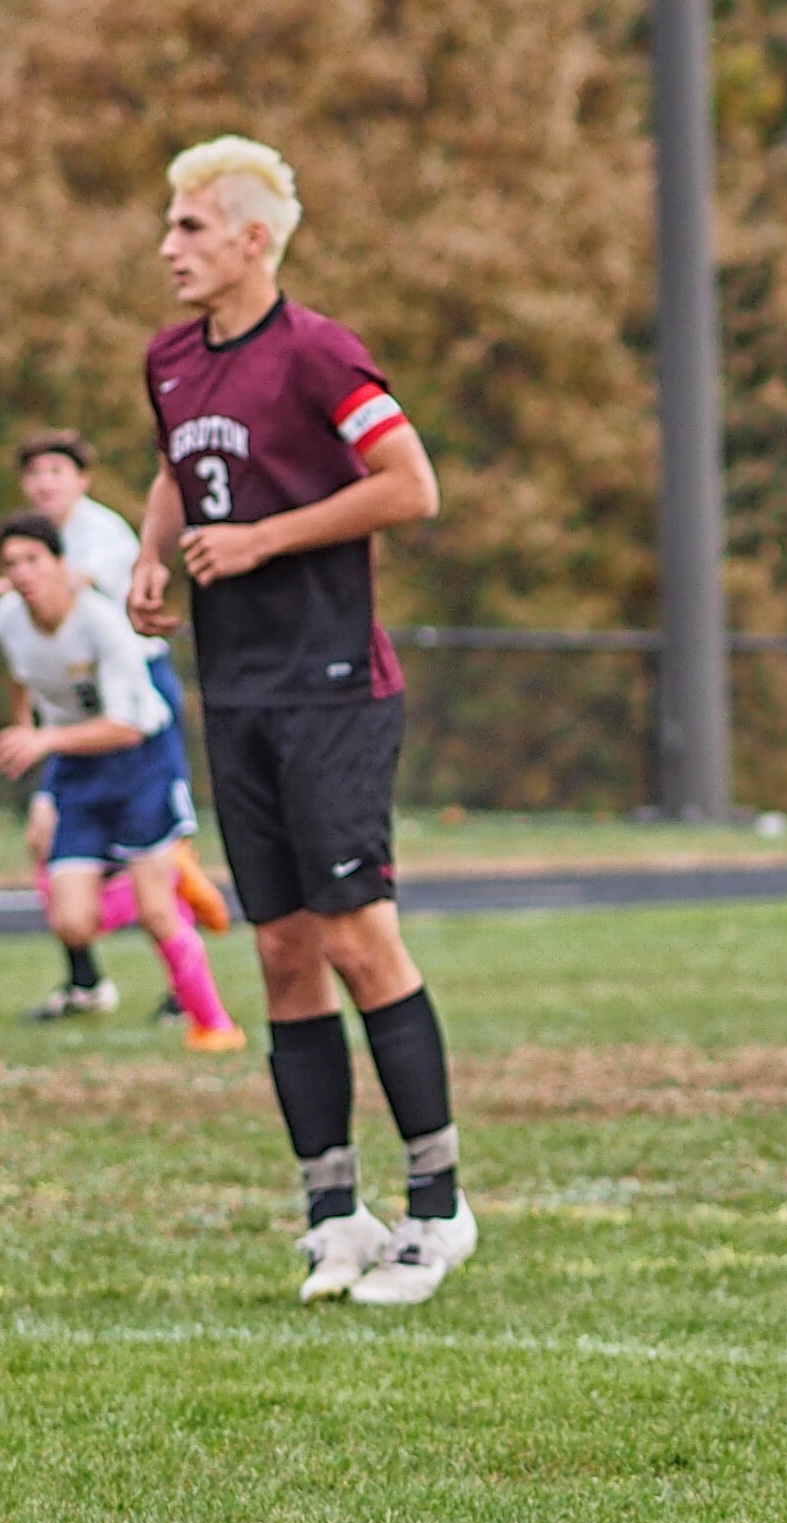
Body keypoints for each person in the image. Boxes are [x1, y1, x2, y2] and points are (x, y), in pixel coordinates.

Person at [127, 135, 473, 1307]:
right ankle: (336, 1211)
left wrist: (262, 541)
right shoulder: (171, 359)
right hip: (236, 689)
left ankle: (438, 1207)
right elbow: (176, 470)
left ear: (252, 239)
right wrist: (150, 558)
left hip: (332, 685)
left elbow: (412, 486)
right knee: (280, 948)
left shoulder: (317, 350)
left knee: (357, 937)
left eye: (189, 227)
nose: (170, 247)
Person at [0, 512, 244, 1050]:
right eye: (10, 563)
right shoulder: (10, 620)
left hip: (140, 763)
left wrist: (42, 740)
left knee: (157, 912)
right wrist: (23, 727)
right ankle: (170, 874)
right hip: (78, 764)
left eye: (33, 560)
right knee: (73, 923)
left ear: (61, 563)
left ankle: (215, 1027)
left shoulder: (101, 623)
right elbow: (19, 674)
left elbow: (127, 727)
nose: (21, 573)